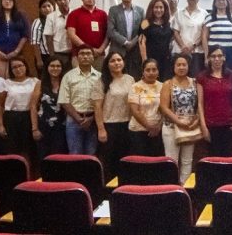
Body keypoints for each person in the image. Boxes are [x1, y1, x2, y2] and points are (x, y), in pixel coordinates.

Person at [160, 53, 209, 183]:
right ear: (173, 67)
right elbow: (164, 107)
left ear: (188, 66)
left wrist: (197, 120)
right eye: (178, 65)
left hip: (189, 127)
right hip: (171, 127)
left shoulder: (195, 82)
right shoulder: (168, 84)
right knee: (172, 161)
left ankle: (184, 189)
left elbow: (199, 105)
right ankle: (171, 189)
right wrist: (178, 122)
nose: (181, 67)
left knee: (187, 161)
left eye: (184, 64)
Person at [93, 51, 135, 179]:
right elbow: (97, 107)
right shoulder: (101, 81)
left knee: (126, 159)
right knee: (109, 160)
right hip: (109, 125)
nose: (117, 63)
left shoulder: (130, 79)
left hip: (127, 125)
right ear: (107, 64)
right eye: (112, 61)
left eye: (119, 60)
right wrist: (101, 129)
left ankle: (125, 185)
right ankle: (109, 187)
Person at [57, 46, 101, 155]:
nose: (85, 56)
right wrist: (79, 119)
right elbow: (64, 100)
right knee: (75, 154)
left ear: (93, 57)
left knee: (91, 153)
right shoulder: (68, 76)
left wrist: (91, 118)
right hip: (73, 120)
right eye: (82, 54)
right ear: (76, 57)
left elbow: (103, 102)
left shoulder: (100, 77)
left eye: (88, 53)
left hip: (93, 120)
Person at [197, 45, 232, 156]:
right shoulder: (202, 77)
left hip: (229, 124)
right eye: (213, 56)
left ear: (224, 57)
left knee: (228, 158)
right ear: (209, 58)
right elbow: (200, 103)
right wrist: (203, 126)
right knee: (213, 158)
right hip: (211, 124)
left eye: (220, 56)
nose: (217, 59)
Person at [0, 58, 39, 162]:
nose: (18, 69)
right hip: (11, 118)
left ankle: (28, 171)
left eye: (20, 66)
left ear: (25, 66)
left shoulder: (35, 81)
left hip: (29, 117)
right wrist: (0, 125)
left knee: (29, 149)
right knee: (12, 148)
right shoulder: (6, 83)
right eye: (14, 67)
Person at [30, 56, 68, 160]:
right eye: (52, 66)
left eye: (58, 66)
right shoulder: (40, 83)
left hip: (61, 127)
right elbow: (33, 106)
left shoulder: (66, 83)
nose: (55, 68)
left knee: (59, 158)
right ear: (47, 67)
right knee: (44, 157)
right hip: (43, 126)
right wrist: (35, 128)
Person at [107, 0, 145, 78]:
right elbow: (111, 30)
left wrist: (133, 42)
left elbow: (143, 30)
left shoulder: (140, 11)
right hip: (118, 50)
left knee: (134, 78)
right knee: (116, 78)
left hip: (135, 51)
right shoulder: (113, 10)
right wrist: (126, 42)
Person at [67, 0, 109, 71]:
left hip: (99, 55)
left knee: (99, 78)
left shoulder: (103, 14)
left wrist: (101, 49)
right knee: (79, 78)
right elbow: (71, 34)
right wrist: (88, 49)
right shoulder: (74, 14)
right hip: (80, 54)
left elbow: (108, 34)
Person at [128, 59, 164, 156]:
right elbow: (135, 111)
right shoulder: (135, 87)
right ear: (143, 72)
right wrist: (149, 127)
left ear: (158, 71)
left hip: (158, 131)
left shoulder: (163, 86)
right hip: (138, 131)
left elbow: (165, 110)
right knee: (140, 162)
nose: (151, 73)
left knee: (156, 161)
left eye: (154, 70)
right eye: (148, 70)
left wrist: (158, 126)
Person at [172, 0, 208, 76]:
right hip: (180, 51)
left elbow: (204, 34)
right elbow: (175, 32)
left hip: (197, 52)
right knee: (179, 78)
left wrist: (193, 46)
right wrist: (183, 46)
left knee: (195, 79)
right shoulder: (179, 13)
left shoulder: (204, 14)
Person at [138, 0, 173, 82]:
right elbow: (141, 42)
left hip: (165, 60)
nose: (159, 10)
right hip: (151, 58)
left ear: (165, 9)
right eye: (156, 7)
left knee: (165, 82)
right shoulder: (145, 22)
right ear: (151, 8)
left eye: (161, 7)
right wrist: (145, 61)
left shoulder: (168, 23)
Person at [202, 0, 232, 68]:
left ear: (227, 2)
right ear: (215, 2)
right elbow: (204, 38)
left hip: (229, 52)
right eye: (219, 0)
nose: (221, 2)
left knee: (228, 74)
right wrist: (206, 56)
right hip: (214, 52)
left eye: (223, 0)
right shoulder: (209, 17)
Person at [44, 0, 73, 71]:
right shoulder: (51, 17)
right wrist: (53, 56)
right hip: (59, 54)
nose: (63, 2)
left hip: (74, 53)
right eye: (59, 0)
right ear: (56, 2)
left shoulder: (75, 14)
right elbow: (48, 38)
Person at [30, 0, 54, 73]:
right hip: (44, 57)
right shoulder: (38, 22)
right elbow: (35, 42)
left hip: (57, 55)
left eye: (49, 6)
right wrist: (39, 60)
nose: (47, 9)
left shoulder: (57, 20)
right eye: (44, 7)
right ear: (40, 9)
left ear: (53, 7)